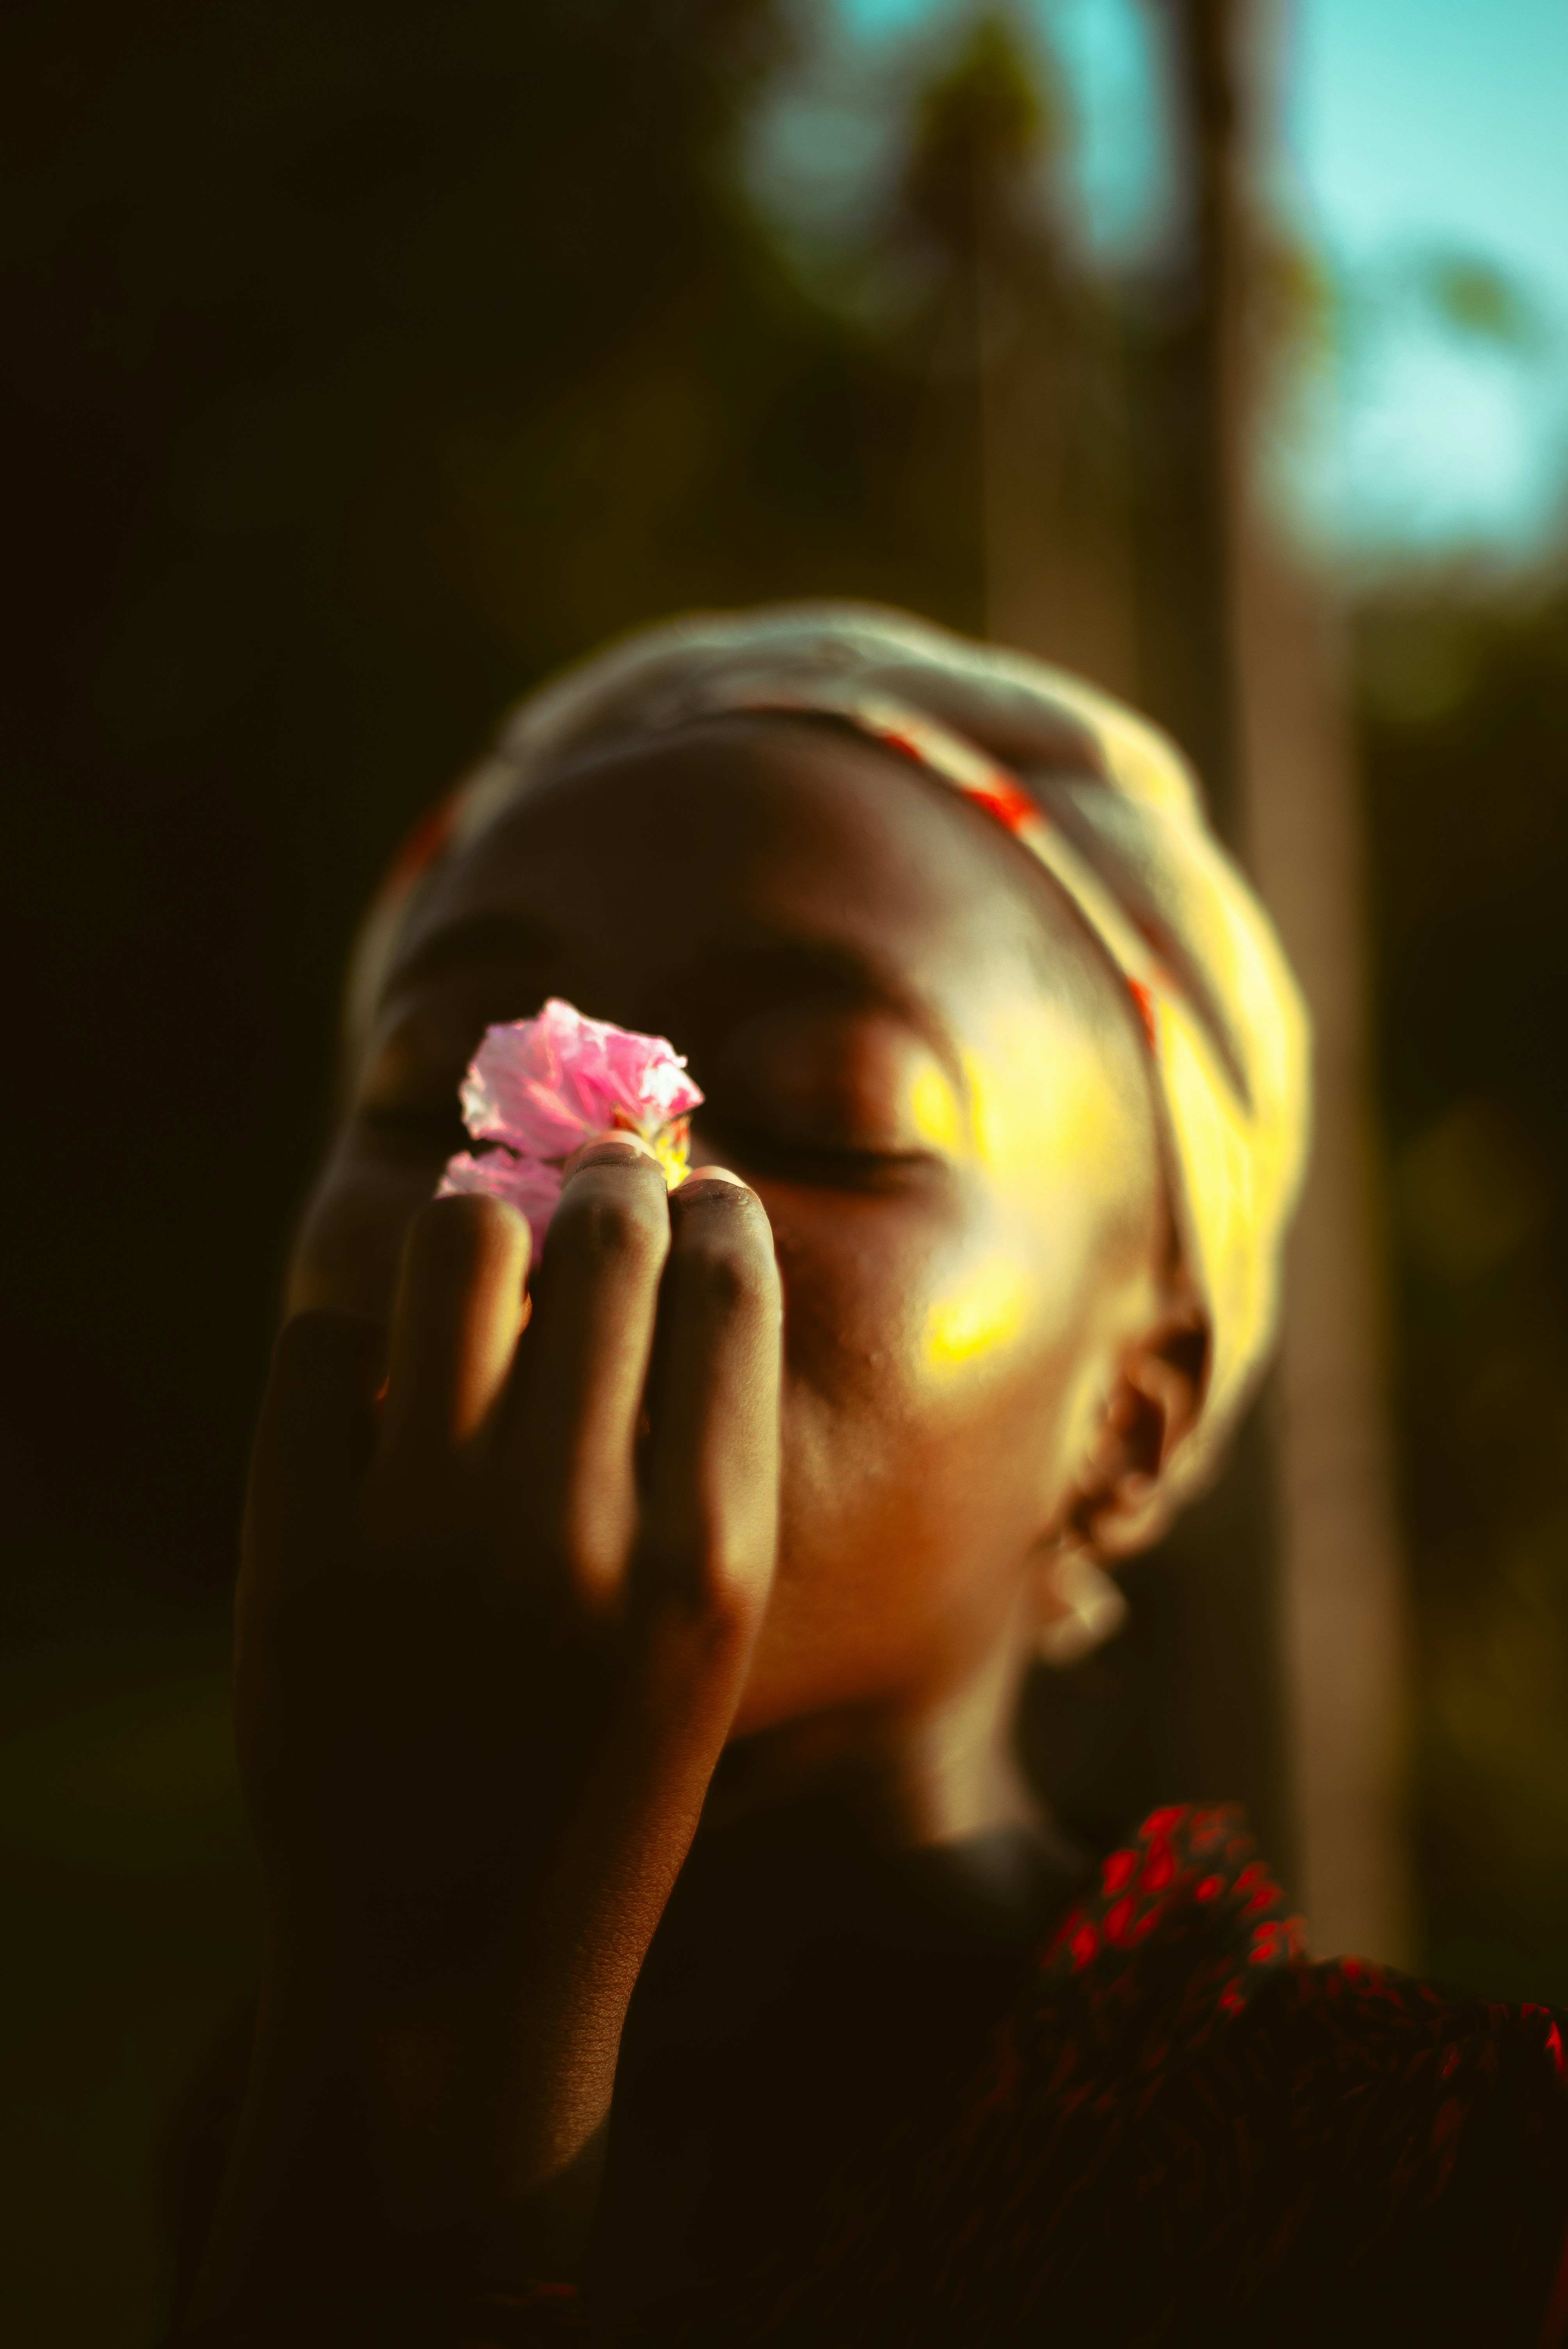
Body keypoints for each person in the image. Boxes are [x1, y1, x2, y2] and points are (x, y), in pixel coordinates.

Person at [175, 606, 1568, 2347]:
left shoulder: (1461, 2206)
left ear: (1126, 1425)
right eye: (428, 1089)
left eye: (824, 1107)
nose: (589, 1190)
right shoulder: (251, 2094)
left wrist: (443, 2065)